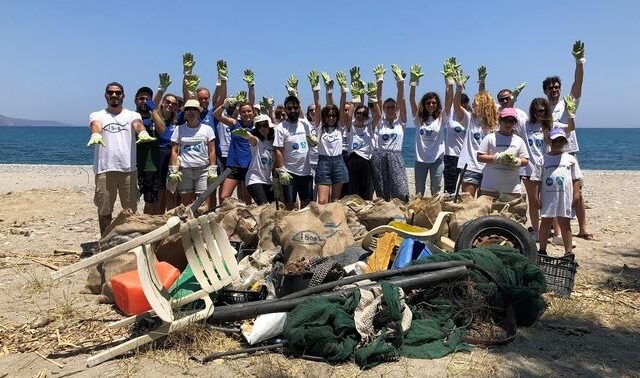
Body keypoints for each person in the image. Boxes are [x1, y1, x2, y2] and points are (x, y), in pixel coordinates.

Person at [542, 40, 595, 241]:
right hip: (551, 153)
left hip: (569, 151)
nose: (554, 89)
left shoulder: (568, 103)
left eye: (556, 87)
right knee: (554, 192)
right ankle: (557, 231)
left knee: (577, 193)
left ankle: (583, 227)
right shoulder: (543, 108)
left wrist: (579, 62)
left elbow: (578, 85)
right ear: (545, 90)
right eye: (550, 87)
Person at [87, 82, 156, 235]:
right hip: (104, 170)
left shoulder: (132, 114)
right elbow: (96, 125)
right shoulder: (97, 114)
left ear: (123, 96)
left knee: (130, 211)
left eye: (118, 93)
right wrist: (96, 134)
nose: (114, 95)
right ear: (105, 95)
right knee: (104, 209)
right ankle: (105, 241)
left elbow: (138, 125)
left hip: (128, 170)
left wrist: (143, 132)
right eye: (110, 92)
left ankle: (130, 241)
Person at [531, 128, 582, 259]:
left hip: (565, 197)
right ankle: (542, 250)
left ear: (565, 142)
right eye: (555, 140)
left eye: (561, 140)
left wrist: (576, 195)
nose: (557, 143)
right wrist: (535, 197)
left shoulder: (570, 159)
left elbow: (576, 179)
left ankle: (568, 252)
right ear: (549, 141)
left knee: (565, 223)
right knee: (546, 221)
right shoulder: (542, 159)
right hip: (548, 197)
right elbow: (537, 180)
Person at [409, 64, 453, 196]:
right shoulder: (418, 119)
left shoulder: (442, 118)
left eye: (434, 102)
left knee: (436, 190)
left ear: (437, 104)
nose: (431, 105)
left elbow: (449, 100)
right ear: (424, 104)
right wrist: (413, 83)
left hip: (437, 159)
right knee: (419, 191)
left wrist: (449, 81)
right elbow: (411, 100)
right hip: (420, 159)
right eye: (428, 103)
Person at [168, 99, 217, 206]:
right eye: (187, 110)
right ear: (184, 113)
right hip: (185, 170)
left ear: (199, 112)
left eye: (194, 109)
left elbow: (212, 150)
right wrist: (173, 169)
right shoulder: (179, 129)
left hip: (203, 169)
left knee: (203, 204)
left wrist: (213, 168)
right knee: (185, 203)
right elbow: (174, 150)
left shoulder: (207, 129)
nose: (191, 112)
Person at [371, 65, 409, 202]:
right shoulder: (380, 122)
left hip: (396, 156)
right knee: (382, 190)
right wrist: (379, 81)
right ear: (384, 109)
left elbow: (402, 101)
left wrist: (400, 83)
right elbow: (378, 100)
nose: (391, 109)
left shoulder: (401, 122)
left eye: (393, 107)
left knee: (401, 189)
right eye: (388, 107)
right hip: (380, 156)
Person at [518, 98, 553, 241]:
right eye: (537, 110)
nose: (540, 113)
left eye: (543, 110)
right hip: (528, 169)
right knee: (534, 201)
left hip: (547, 169)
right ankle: (536, 232)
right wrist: (513, 98)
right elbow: (510, 112)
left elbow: (569, 129)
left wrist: (571, 115)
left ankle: (553, 232)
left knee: (549, 200)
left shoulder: (550, 126)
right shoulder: (525, 125)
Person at [454, 87, 499, 197]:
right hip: (470, 166)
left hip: (489, 168)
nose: (473, 106)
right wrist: (458, 89)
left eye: (476, 104)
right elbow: (456, 107)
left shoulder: (496, 124)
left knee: (484, 204)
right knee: (467, 202)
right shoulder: (470, 119)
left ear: (484, 105)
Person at [213, 84, 254, 205]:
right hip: (234, 164)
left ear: (253, 112)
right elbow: (216, 115)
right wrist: (225, 105)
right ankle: (231, 216)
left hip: (249, 164)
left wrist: (251, 87)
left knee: (247, 199)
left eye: (249, 111)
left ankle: (247, 221)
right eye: (243, 112)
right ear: (240, 113)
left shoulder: (258, 125)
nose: (246, 114)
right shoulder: (235, 123)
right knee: (224, 196)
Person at [273, 95, 314, 210]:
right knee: (289, 204)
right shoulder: (281, 127)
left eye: (295, 108)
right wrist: (282, 171)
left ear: (299, 108)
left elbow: (312, 140)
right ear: (285, 109)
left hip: (306, 171)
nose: (293, 111)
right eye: (289, 108)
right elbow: (278, 150)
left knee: (307, 203)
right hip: (289, 173)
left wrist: (314, 141)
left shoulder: (305, 124)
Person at [477, 108, 529, 196]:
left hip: (512, 188)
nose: (508, 124)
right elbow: (480, 157)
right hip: (490, 187)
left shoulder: (519, 140)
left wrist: (516, 161)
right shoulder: (490, 138)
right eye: (506, 120)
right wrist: (497, 158)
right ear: (500, 120)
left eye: (512, 121)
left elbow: (525, 160)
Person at [133, 87, 166, 215]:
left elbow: (162, 130)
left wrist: (153, 110)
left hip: (150, 166)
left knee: (150, 201)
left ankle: (148, 228)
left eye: (147, 99)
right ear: (135, 101)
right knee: (130, 202)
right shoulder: (131, 116)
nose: (144, 101)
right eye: (141, 98)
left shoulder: (154, 116)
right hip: (131, 166)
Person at [234, 114, 275, 205]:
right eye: (259, 126)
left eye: (265, 125)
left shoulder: (273, 143)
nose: (262, 128)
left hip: (268, 180)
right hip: (255, 179)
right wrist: (247, 135)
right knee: (264, 206)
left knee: (274, 207)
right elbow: (253, 140)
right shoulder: (257, 141)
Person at [156, 92, 179, 211]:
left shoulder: (177, 119)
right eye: (168, 102)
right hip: (160, 154)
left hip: (173, 154)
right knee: (160, 189)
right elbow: (152, 106)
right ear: (163, 103)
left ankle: (170, 215)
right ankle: (159, 215)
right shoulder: (155, 117)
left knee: (171, 189)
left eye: (173, 103)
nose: (170, 105)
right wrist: (161, 90)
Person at [443, 93, 469, 194]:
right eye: (461, 104)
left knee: (466, 187)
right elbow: (448, 97)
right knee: (450, 188)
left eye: (465, 104)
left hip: (466, 157)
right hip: (451, 155)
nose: (463, 106)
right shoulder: (450, 115)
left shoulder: (469, 116)